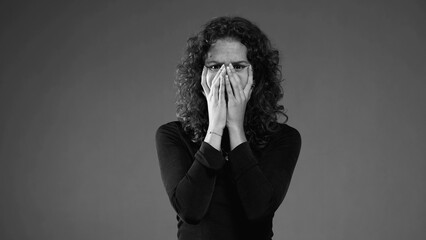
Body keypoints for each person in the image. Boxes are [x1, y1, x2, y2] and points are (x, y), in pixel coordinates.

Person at [155, 16, 301, 240]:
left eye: (238, 66)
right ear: (200, 75)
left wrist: (235, 128)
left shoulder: (283, 138)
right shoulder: (173, 135)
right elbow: (190, 211)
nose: (226, 76)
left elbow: (259, 210)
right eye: (215, 66)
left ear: (256, 76)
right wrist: (215, 127)